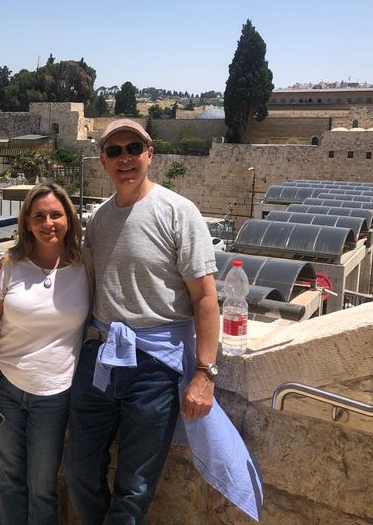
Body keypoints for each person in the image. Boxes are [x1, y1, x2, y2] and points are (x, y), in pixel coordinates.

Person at [66, 119, 261, 522]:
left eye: (133, 148)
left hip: (155, 366)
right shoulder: (99, 220)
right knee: (79, 471)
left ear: (149, 154)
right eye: (114, 151)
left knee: (135, 487)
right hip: (100, 358)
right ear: (103, 160)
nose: (125, 158)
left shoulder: (178, 212)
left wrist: (205, 374)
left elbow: (206, 298)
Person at [0, 183, 91, 525]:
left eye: (56, 214)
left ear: (69, 218)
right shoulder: (9, 265)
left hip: (55, 394)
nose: (48, 222)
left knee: (42, 486)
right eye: (39, 216)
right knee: (11, 481)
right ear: (26, 223)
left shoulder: (85, 269)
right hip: (6, 388)